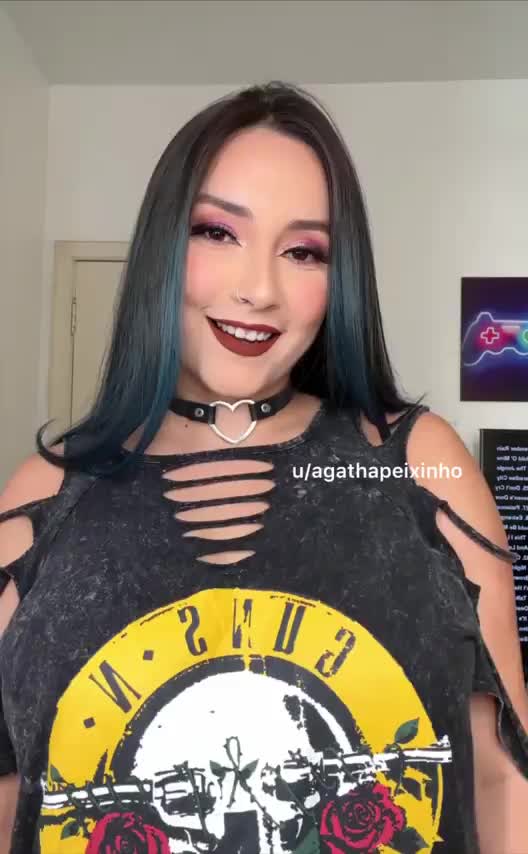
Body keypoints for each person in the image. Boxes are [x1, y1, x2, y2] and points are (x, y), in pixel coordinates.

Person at [0, 81, 527, 854]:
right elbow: (14, 791)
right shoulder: (40, 498)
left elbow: (502, 777)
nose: (258, 290)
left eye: (303, 251)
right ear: (161, 248)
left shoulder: (420, 467)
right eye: (217, 233)